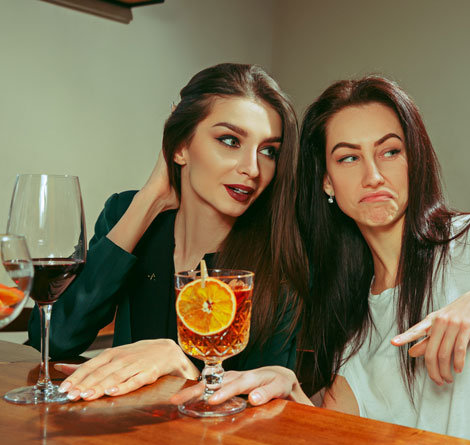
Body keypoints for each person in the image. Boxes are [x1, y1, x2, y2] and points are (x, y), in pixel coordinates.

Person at [172, 76, 470, 445]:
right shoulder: (353, 334)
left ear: (413, 160)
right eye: (348, 158)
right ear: (326, 181)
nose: (373, 175)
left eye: (389, 151)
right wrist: (291, 389)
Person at [27, 63, 307, 402]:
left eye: (269, 151)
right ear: (180, 148)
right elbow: (55, 339)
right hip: (118, 440)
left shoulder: (280, 258)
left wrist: (184, 369)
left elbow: (268, 409)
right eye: (230, 140)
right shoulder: (126, 213)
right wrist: (150, 198)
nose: (252, 168)